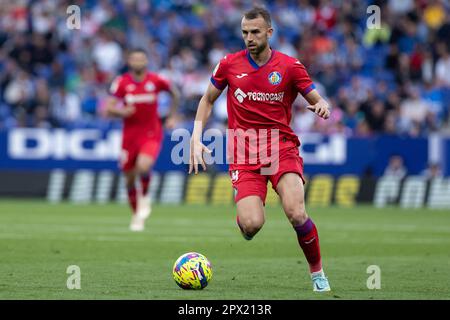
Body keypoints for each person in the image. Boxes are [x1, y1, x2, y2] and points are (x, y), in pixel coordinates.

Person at [189, 7, 331, 292]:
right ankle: (245, 220)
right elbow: (207, 100)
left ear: (269, 32)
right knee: (252, 224)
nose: (249, 38)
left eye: (255, 32)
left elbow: (317, 98)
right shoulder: (228, 64)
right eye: (244, 33)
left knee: (296, 212)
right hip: (244, 154)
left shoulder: (290, 66)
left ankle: (317, 274)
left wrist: (323, 105)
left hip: (281, 148)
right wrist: (195, 136)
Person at [106, 48, 180, 231]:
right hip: (129, 136)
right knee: (129, 180)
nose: (138, 62)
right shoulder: (122, 82)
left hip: (151, 133)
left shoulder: (156, 80)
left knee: (144, 166)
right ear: (129, 61)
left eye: (141, 59)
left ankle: (145, 196)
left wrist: (171, 116)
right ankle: (137, 215)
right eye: (134, 59)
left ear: (146, 61)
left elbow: (175, 94)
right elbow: (109, 108)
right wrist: (122, 111)